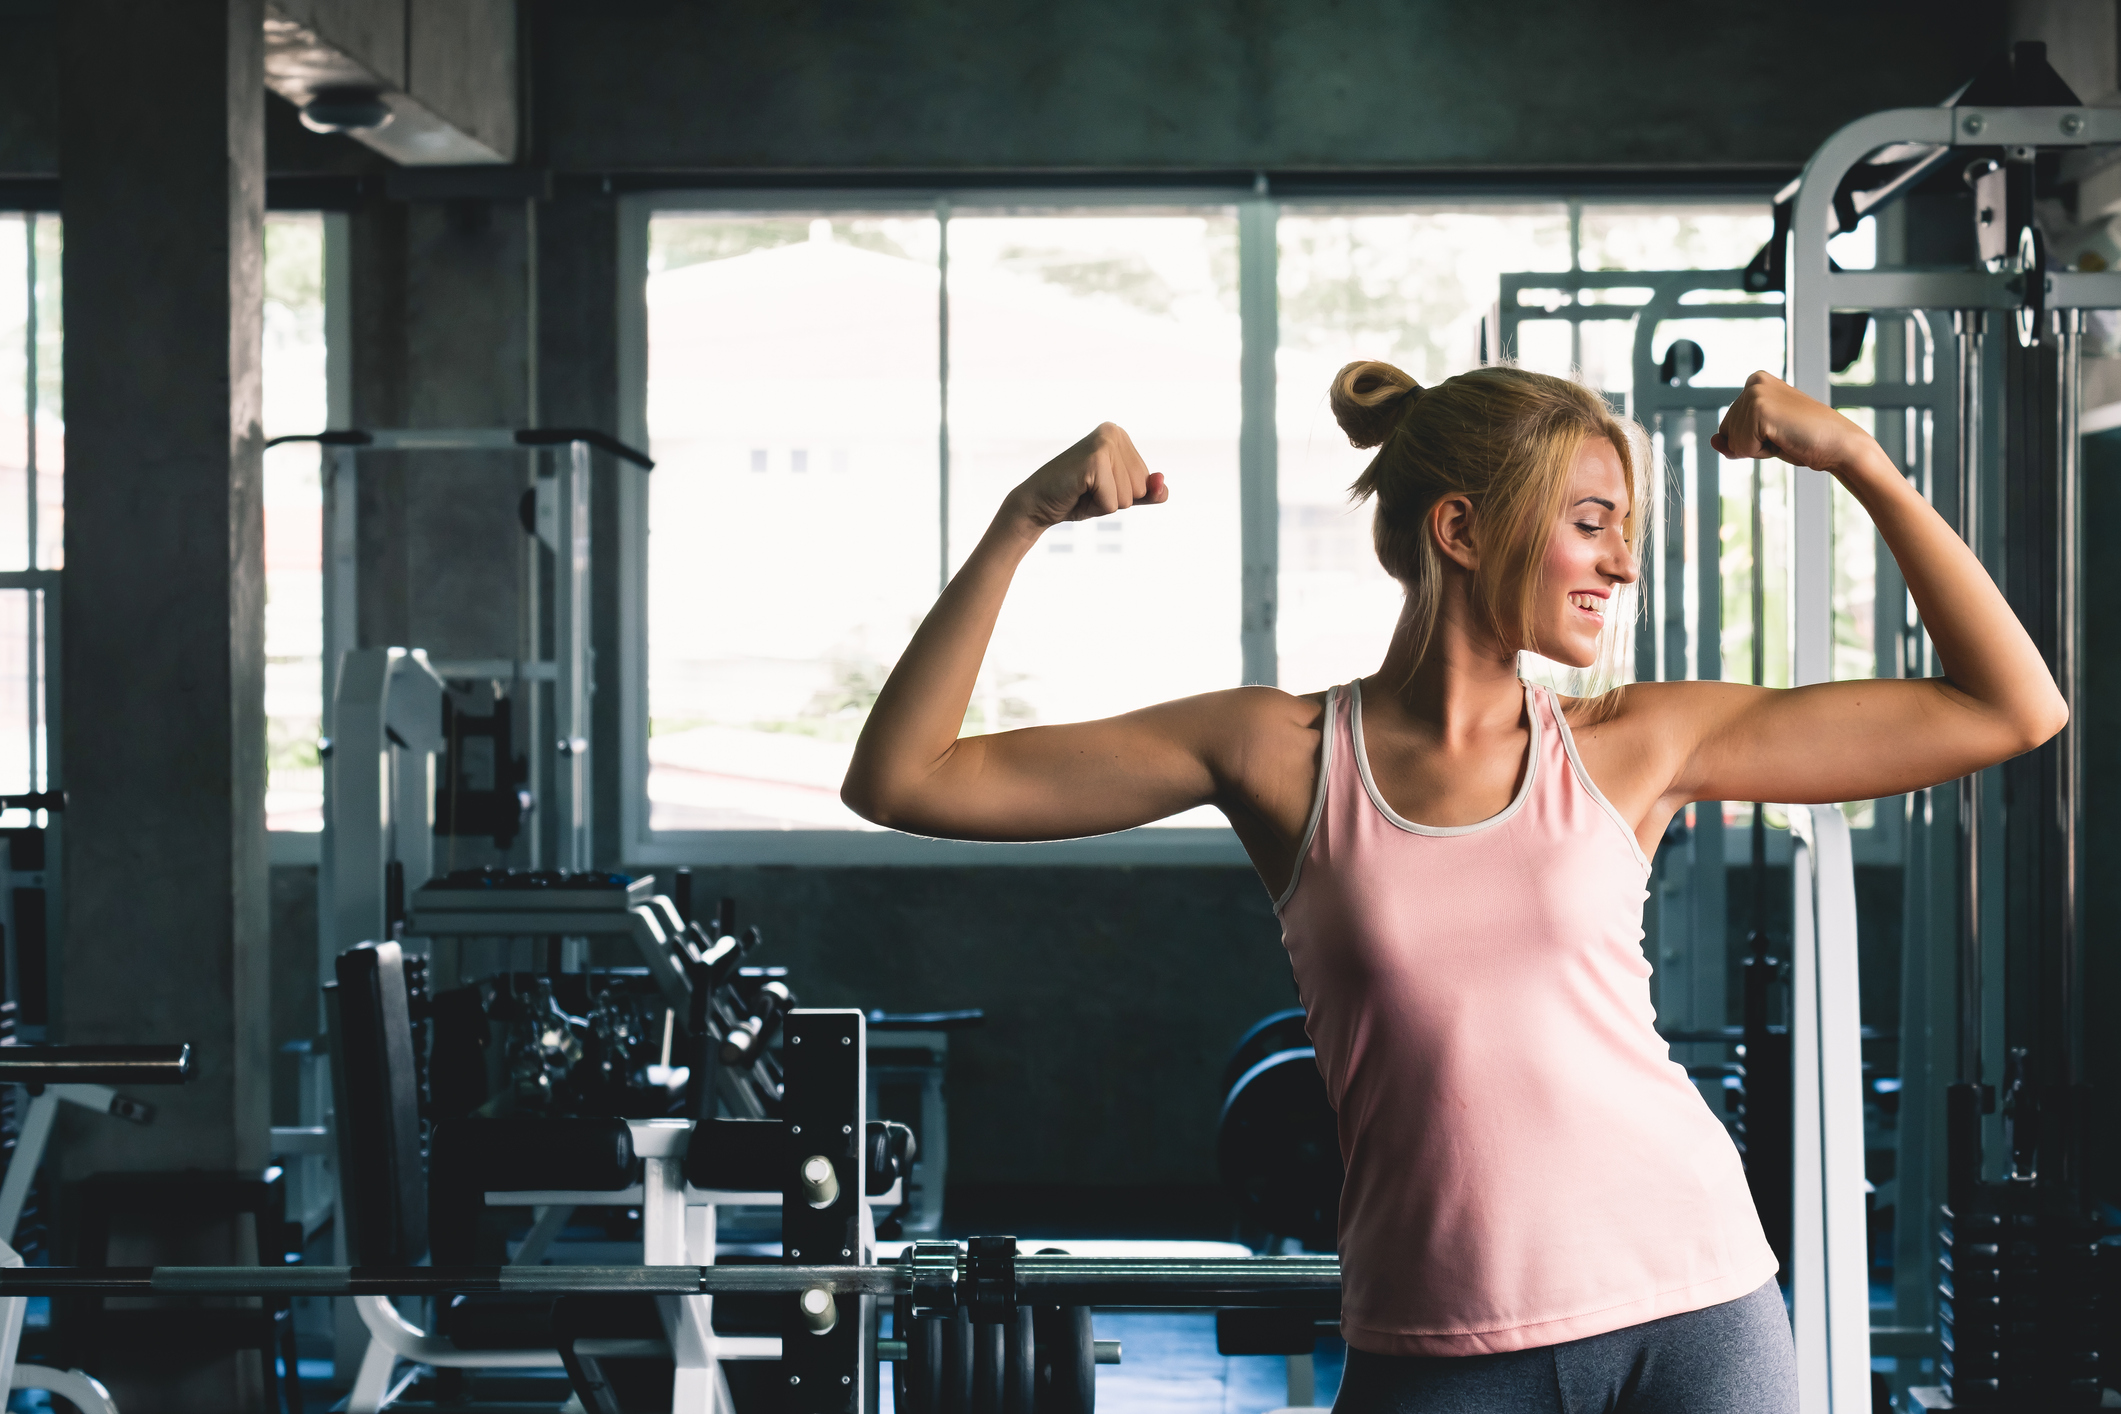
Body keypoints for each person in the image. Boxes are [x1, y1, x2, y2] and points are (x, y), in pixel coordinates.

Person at [842, 361, 2065, 1413]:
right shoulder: (1281, 754)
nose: (1623, 564)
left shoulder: (1632, 742)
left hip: (1694, 1303)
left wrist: (1859, 458)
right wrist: (1019, 519)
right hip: (1438, 1338)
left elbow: (2012, 706)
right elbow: (906, 777)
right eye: (1592, 521)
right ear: (1463, 529)